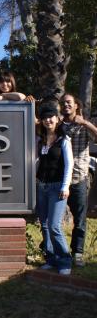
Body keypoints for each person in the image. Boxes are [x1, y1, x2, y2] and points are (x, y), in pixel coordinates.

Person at [60, 93, 97, 267]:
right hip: (58, 180)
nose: (65, 105)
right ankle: (55, 251)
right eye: (63, 103)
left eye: (69, 102)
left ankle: (78, 252)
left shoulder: (84, 126)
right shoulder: (58, 125)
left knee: (80, 219)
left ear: (76, 106)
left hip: (78, 178)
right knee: (53, 220)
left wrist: (86, 123)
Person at [36, 103, 73, 275]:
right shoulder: (40, 139)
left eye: (51, 117)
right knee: (44, 225)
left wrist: (65, 186)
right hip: (42, 186)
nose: (47, 120)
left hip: (57, 188)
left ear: (57, 119)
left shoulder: (64, 140)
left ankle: (65, 261)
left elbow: (69, 165)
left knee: (54, 226)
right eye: (44, 118)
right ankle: (51, 259)